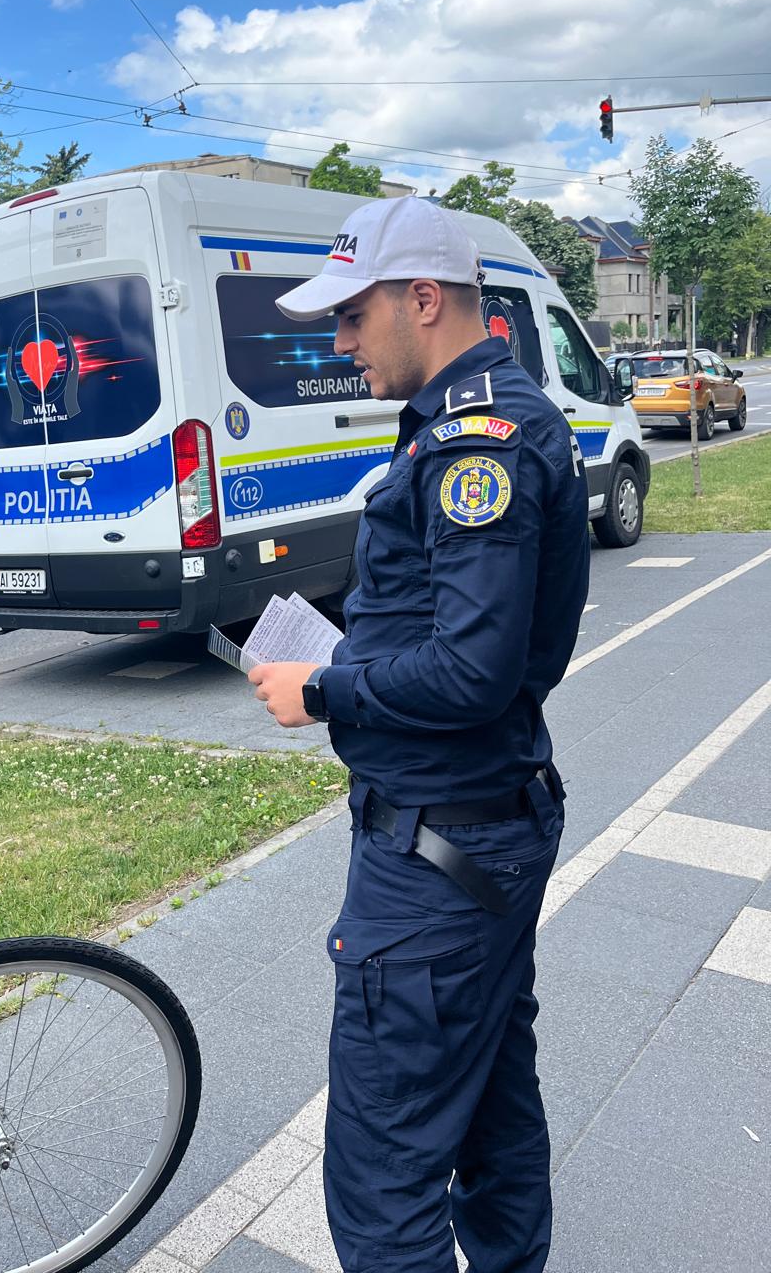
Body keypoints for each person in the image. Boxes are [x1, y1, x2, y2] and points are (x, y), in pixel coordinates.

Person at [249, 196, 589, 1273]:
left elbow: (472, 671)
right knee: (490, 1108)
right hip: (477, 829)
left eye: (353, 316)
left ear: (425, 298)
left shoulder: (477, 439)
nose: (339, 342)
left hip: (439, 858)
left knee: (382, 1175)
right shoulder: (473, 420)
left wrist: (324, 688)